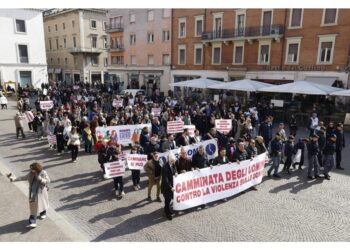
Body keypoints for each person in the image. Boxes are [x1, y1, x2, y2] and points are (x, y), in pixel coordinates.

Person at [8, 162, 50, 228]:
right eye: (31, 169)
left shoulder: (43, 172)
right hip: (33, 193)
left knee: (42, 204)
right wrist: (13, 179)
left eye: (32, 169)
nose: (31, 170)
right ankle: (32, 221)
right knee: (33, 207)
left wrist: (40, 179)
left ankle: (43, 213)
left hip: (41, 192)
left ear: (37, 169)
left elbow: (48, 181)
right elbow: (23, 178)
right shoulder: (30, 174)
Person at [161, 153, 178, 220]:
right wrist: (171, 187)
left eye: (174, 161)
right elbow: (165, 179)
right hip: (166, 187)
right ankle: (167, 213)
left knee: (170, 199)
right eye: (172, 161)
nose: (173, 162)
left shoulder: (173, 164)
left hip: (171, 185)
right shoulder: (165, 167)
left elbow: (175, 169)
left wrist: (176, 172)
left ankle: (166, 210)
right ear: (169, 160)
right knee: (167, 200)